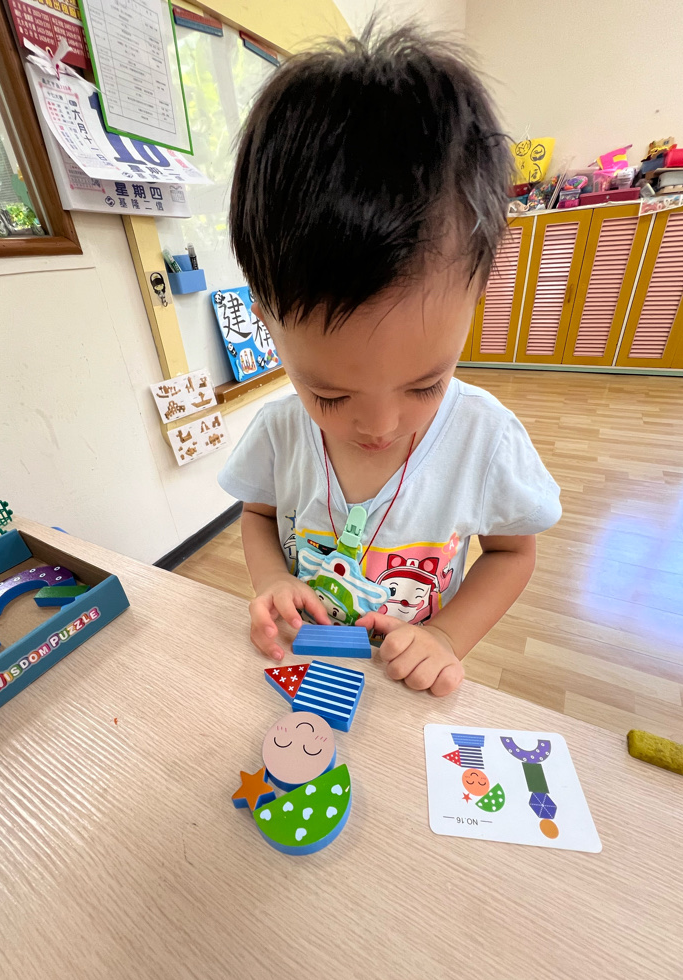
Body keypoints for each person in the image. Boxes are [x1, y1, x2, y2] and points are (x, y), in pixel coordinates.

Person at [218, 24, 561, 697]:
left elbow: (513, 552)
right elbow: (256, 516)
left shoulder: (485, 439)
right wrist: (274, 580)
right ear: (266, 321)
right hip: (305, 670)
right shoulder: (279, 434)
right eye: (330, 395)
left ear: (478, 295)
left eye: (425, 384)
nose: (379, 425)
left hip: (408, 686)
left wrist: (446, 637)